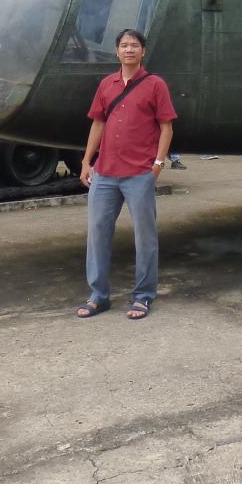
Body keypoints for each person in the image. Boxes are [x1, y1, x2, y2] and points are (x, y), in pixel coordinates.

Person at [76, 28, 176, 321]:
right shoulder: (107, 84)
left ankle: (143, 297)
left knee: (145, 237)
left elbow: (166, 127)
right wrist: (86, 161)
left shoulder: (155, 85)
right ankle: (98, 296)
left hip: (139, 173)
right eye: (123, 45)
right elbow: (97, 124)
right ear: (117, 51)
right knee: (97, 234)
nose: (129, 49)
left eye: (134, 45)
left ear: (143, 52)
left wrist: (158, 163)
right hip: (105, 172)